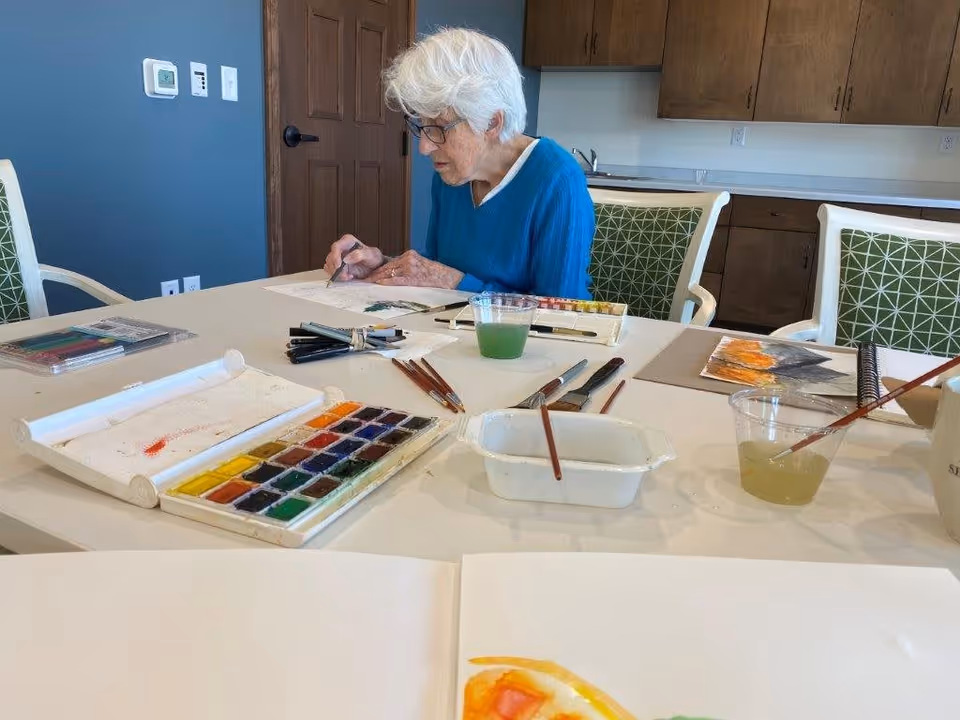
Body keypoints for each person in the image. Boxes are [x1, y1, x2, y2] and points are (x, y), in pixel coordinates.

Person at [323, 28, 595, 299]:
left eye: (440, 127)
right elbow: (436, 274)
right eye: (422, 125)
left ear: (491, 122)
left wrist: (456, 282)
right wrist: (380, 265)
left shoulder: (557, 181)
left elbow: (561, 309)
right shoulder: (453, 172)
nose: (425, 147)